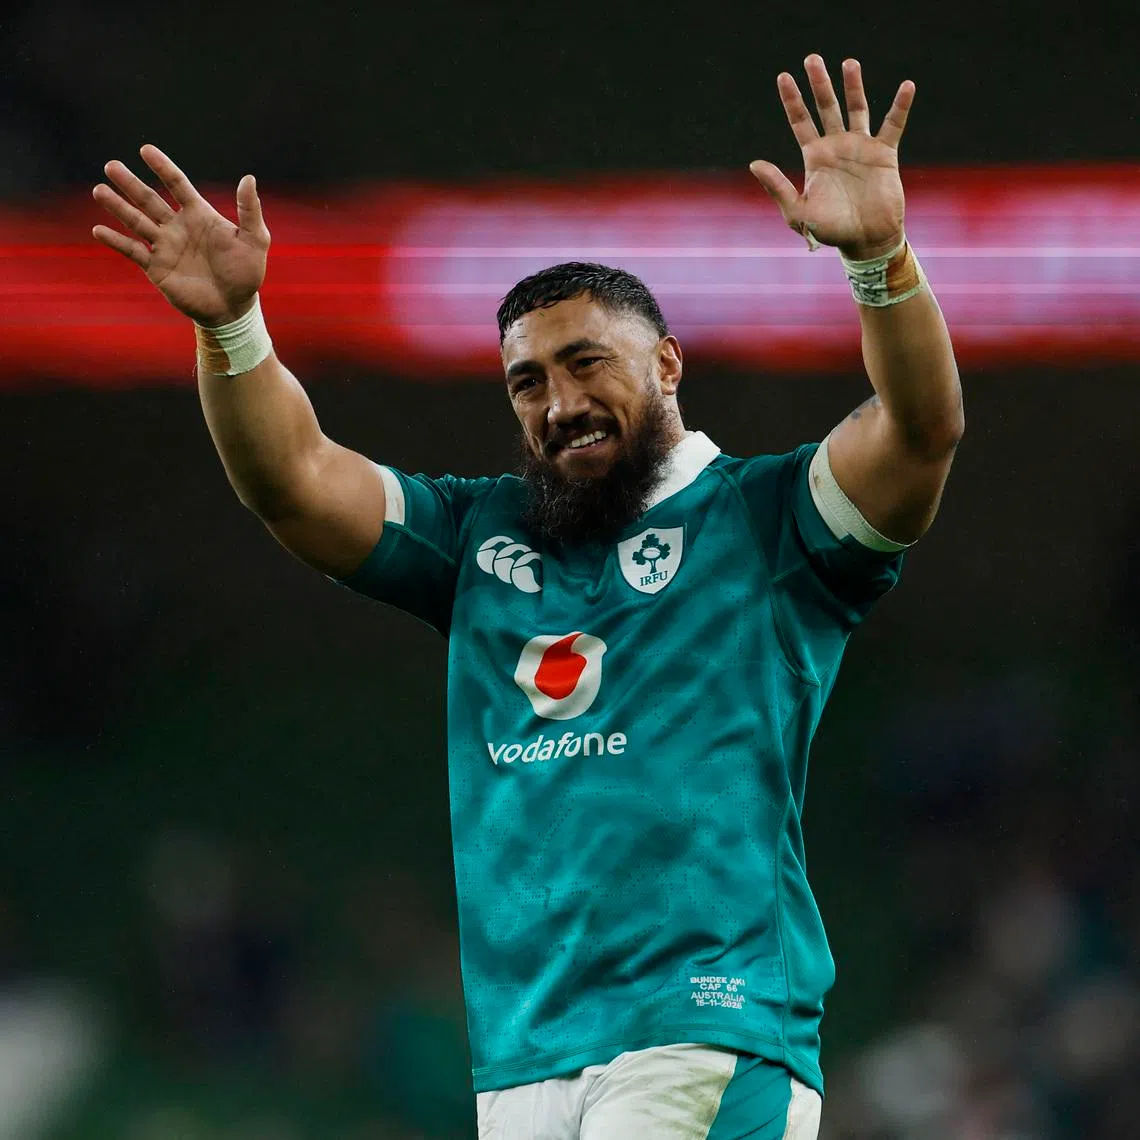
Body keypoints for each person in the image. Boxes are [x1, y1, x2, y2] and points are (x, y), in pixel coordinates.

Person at [92, 54, 963, 1140]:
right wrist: (232, 331)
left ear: (669, 368)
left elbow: (920, 430)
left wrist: (880, 257)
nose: (559, 403)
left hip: (703, 1034)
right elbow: (296, 482)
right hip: (524, 1060)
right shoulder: (479, 537)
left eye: (588, 364)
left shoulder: (766, 519)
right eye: (528, 382)